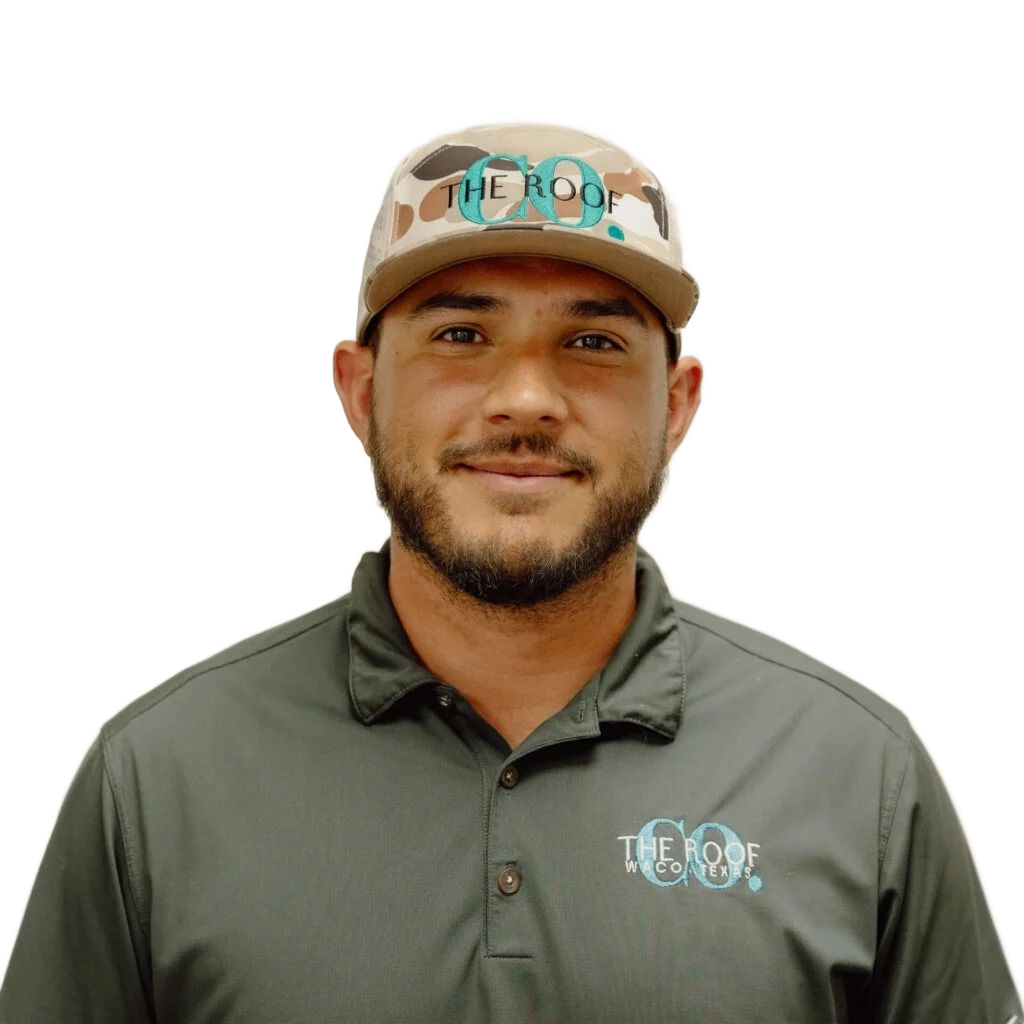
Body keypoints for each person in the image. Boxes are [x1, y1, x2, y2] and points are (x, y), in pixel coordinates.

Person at [0, 117, 1019, 1023]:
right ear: (359, 392)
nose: (526, 400)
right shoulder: (154, 777)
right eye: (460, 334)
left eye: (589, 339)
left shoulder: (860, 775)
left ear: (680, 403)